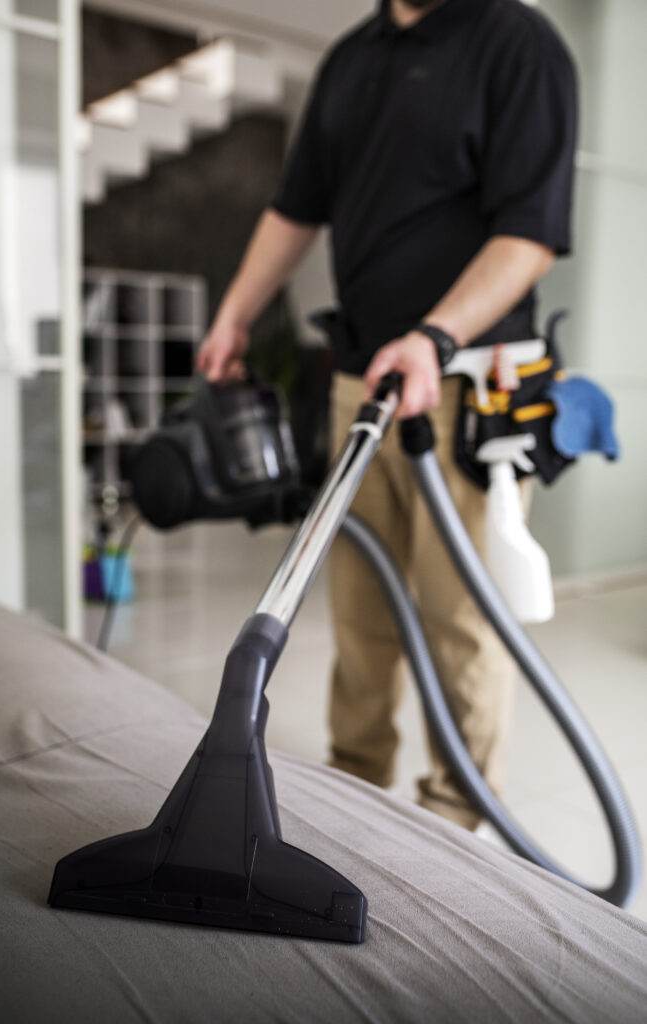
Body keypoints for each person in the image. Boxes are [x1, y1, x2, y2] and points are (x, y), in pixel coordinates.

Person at [198, 0, 577, 830]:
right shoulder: (349, 59)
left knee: (458, 623)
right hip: (359, 379)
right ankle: (353, 797)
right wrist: (234, 314)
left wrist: (433, 337)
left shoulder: (517, 44)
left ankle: (455, 822)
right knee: (361, 615)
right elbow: (296, 207)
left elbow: (529, 233)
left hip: (469, 384)